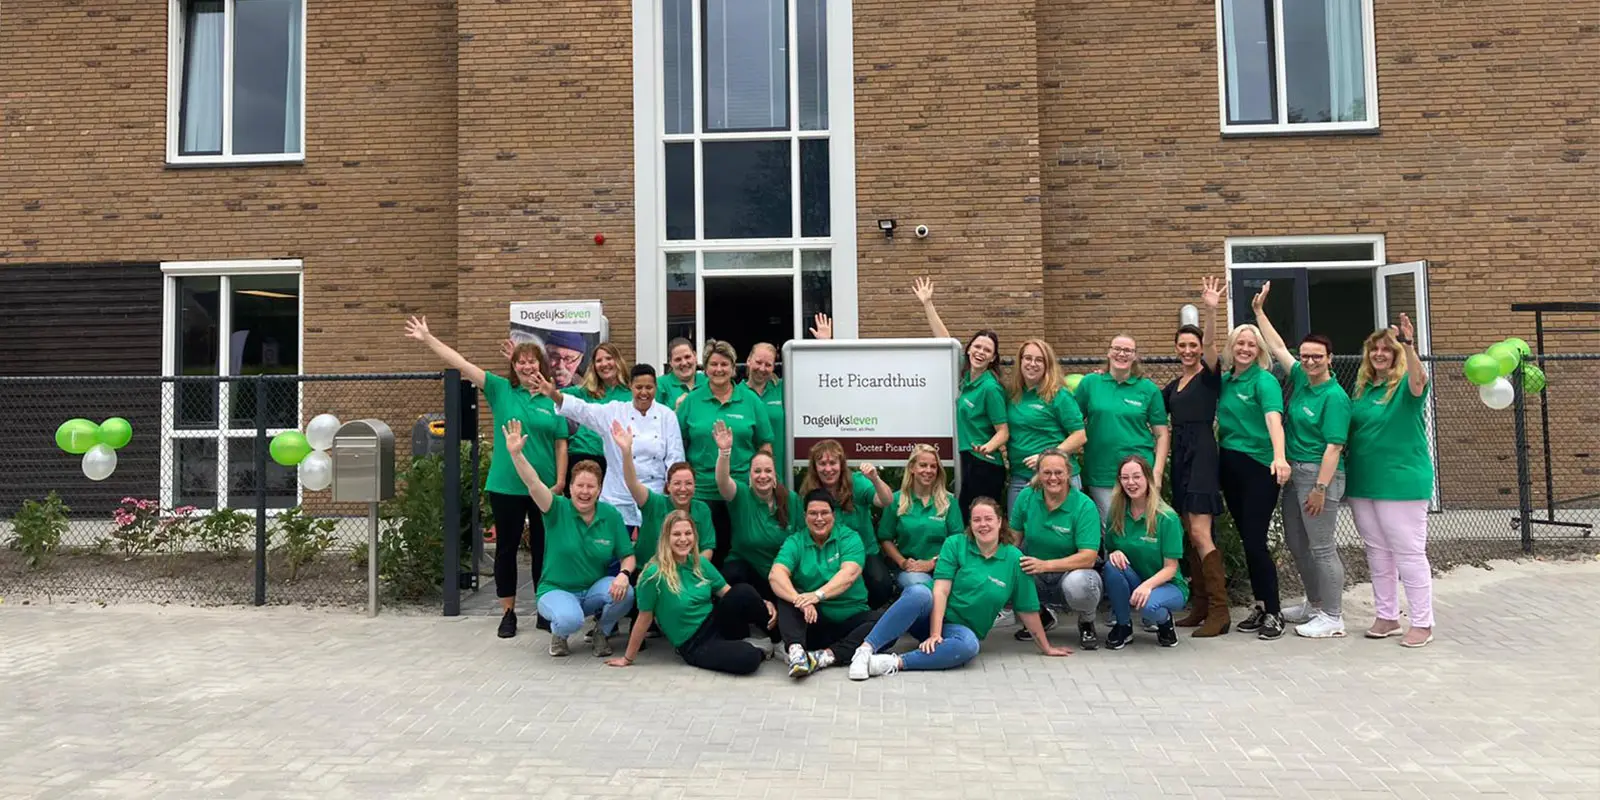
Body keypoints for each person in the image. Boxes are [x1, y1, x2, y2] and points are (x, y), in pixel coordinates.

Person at [405, 316, 568, 640]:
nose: (526, 366)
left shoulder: (553, 398)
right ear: (514, 366)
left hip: (546, 487)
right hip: (506, 486)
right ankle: (508, 613)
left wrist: (561, 481)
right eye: (520, 362)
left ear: (542, 364)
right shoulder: (500, 389)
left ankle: (544, 609)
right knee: (506, 550)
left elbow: (561, 443)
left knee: (545, 550)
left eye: (531, 361)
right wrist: (428, 338)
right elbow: (461, 363)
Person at [848, 497, 1072, 680]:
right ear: (970, 524)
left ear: (1000, 522)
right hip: (928, 617)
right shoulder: (955, 544)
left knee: (969, 647)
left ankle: (890, 663)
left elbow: (1027, 608)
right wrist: (935, 634)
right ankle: (865, 650)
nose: (983, 525)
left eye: (988, 519)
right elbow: (941, 590)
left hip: (960, 629)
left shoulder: (1015, 559)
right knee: (918, 592)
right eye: (977, 520)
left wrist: (1046, 648)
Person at [1254, 282, 1352, 639]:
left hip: (1319, 476)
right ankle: (1315, 603)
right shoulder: (1300, 378)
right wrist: (1259, 311)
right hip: (1294, 473)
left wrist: (1320, 489)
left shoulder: (1334, 397)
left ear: (1330, 359)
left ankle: (1334, 616)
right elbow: (1278, 347)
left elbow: (1334, 448)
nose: (1309, 361)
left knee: (1322, 548)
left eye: (1317, 356)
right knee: (1297, 544)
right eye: (1306, 355)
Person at [502, 420, 635, 658]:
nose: (585, 491)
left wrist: (624, 575)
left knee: (627, 593)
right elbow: (533, 483)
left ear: (599, 489)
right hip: (556, 590)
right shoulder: (556, 508)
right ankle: (560, 633)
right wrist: (516, 454)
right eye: (579, 486)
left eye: (591, 487)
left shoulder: (610, 515)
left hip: (592, 591)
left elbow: (628, 556)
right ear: (570, 488)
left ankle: (602, 632)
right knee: (570, 620)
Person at [1346, 313, 1435, 648]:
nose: (1380, 354)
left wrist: (1410, 345)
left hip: (1401, 483)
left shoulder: (1405, 389)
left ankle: (1422, 622)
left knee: (1409, 553)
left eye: (1387, 349)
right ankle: (1387, 616)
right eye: (1375, 349)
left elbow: (1419, 379)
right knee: (1377, 553)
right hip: (1363, 482)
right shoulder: (1364, 390)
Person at [606, 512, 779, 675]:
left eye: (688, 533)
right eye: (676, 534)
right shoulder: (653, 575)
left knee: (743, 591)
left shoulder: (699, 563)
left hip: (715, 622)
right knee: (748, 658)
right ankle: (755, 647)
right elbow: (644, 618)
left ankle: (781, 642)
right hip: (694, 643)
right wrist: (628, 658)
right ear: (666, 538)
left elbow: (730, 594)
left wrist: (762, 602)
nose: (683, 539)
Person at [1216, 297, 1292, 640]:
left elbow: (1274, 420)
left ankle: (1274, 611)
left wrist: (1280, 457)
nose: (1245, 349)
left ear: (1259, 350)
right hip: (1230, 464)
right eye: (1240, 344)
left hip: (1260, 466)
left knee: (1256, 540)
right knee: (1248, 539)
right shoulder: (1226, 381)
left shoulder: (1264, 381)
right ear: (1232, 348)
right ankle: (1260, 605)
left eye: (1251, 344)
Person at [534, 363, 683, 529]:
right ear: (630, 387)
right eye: (639, 387)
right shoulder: (615, 412)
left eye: (649, 387)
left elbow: (675, 457)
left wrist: (673, 489)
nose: (644, 392)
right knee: (613, 544)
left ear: (655, 387)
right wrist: (554, 394)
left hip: (653, 496)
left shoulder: (666, 416)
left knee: (652, 544)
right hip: (618, 496)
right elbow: (583, 410)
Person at [1163, 277, 1231, 637]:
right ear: (1176, 348)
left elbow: (1212, 345)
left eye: (1194, 345)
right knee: (1190, 530)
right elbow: (1148, 408)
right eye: (1183, 345)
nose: (1189, 350)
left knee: (1202, 531)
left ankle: (1220, 612)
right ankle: (1201, 605)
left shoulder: (1208, 378)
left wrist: (1210, 310)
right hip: (1180, 457)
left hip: (1202, 454)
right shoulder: (1173, 386)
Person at [912, 277, 1009, 521]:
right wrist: (927, 304)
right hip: (968, 459)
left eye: (987, 350)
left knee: (978, 519)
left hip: (985, 464)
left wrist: (988, 447)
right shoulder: (966, 377)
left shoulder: (990, 388)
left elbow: (1003, 432)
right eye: (977, 347)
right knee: (967, 516)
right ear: (969, 349)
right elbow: (945, 341)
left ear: (993, 358)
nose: (980, 352)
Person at [677, 340, 773, 566]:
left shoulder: (750, 400)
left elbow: (765, 445)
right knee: (703, 552)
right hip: (702, 491)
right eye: (713, 364)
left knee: (738, 555)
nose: (719, 369)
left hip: (741, 490)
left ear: (733, 367)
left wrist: (762, 481)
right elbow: (677, 442)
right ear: (705, 368)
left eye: (724, 364)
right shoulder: (692, 401)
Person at [769, 489, 882, 679]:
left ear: (833, 515)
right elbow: (776, 575)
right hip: (814, 620)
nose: (819, 518)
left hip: (850, 620)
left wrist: (817, 595)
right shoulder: (795, 541)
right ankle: (797, 653)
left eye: (824, 513)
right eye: (813, 513)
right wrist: (800, 600)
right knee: (787, 595)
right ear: (805, 516)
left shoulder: (849, 537)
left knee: (885, 623)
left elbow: (849, 574)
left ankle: (825, 657)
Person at [1009, 450, 1105, 650]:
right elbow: (1013, 541)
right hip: (1036, 573)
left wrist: (1045, 565)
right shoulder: (1026, 497)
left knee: (1080, 584)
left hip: (1071, 574)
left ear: (1068, 473)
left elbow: (1088, 557)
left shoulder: (1084, 505)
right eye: (1047, 472)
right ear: (1038, 474)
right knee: (1006, 571)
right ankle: (1042, 617)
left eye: (1059, 472)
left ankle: (1086, 621)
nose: (1053, 478)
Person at [1074, 334, 1169, 523]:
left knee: (1142, 526)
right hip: (1102, 472)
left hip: (1139, 473)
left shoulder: (1148, 389)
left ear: (1135, 356)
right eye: (1117, 349)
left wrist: (1157, 474)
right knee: (1111, 528)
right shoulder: (1090, 383)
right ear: (1109, 353)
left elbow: (1162, 435)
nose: (1122, 354)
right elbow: (1073, 423)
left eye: (1127, 350)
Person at [1102, 455, 1189, 650]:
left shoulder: (1167, 518)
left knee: (1149, 607)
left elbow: (1170, 568)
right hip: (1135, 579)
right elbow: (1111, 546)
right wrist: (1115, 552)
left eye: (1136, 477)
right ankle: (1123, 626)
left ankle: (1165, 622)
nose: (1130, 483)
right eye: (1125, 478)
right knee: (1111, 566)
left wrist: (1147, 587)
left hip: (1167, 584)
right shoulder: (1116, 512)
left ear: (1148, 479)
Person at [797, 439, 894, 608]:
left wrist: (875, 479)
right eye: (822, 464)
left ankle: (866, 614)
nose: (828, 469)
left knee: (881, 586)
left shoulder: (857, 482)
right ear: (814, 467)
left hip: (865, 552)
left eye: (833, 463)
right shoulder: (809, 492)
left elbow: (885, 500)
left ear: (841, 465)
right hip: (827, 553)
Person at [715, 425, 800, 607]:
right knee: (733, 574)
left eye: (768, 471)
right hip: (746, 573)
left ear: (775, 475)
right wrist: (724, 452)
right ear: (750, 475)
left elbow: (802, 539)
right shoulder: (741, 495)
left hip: (780, 573)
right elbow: (722, 482)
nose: (763, 476)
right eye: (757, 471)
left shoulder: (791, 499)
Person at [611, 421, 714, 567]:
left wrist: (691, 570)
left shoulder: (702, 509)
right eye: (677, 483)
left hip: (686, 571)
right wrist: (626, 451)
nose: (683, 489)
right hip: (648, 571)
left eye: (688, 483)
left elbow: (707, 549)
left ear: (694, 486)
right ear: (668, 486)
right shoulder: (653, 503)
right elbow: (632, 483)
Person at [1004, 338, 1087, 510]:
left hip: (1057, 478)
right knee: (1017, 526)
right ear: (1020, 361)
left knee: (1060, 526)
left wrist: (1045, 458)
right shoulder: (1013, 395)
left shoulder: (1058, 395)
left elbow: (1079, 436)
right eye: (1028, 358)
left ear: (1047, 365)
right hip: (1020, 477)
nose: (1032, 364)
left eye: (1039, 360)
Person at [876, 445, 963, 593]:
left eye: (933, 466)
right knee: (921, 589)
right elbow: (885, 538)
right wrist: (903, 562)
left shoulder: (949, 502)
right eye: (923, 465)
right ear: (912, 468)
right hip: (911, 571)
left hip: (945, 567)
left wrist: (932, 563)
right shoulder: (896, 500)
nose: (928, 470)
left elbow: (958, 541)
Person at [557, 343, 631, 486]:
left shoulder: (631, 393)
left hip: (616, 459)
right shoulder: (585, 391)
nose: (604, 364)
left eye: (608, 358)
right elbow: (555, 396)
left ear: (618, 360)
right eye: (599, 360)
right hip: (584, 454)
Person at [742, 342, 789, 488]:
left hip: (781, 474)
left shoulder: (784, 388)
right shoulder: (736, 393)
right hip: (746, 477)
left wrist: (823, 344)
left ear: (774, 367)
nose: (762, 368)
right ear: (748, 361)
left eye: (768, 365)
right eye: (758, 362)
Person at [658, 337, 702, 410]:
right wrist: (677, 411)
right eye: (678, 359)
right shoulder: (660, 385)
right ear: (670, 362)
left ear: (695, 356)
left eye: (687, 357)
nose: (684, 363)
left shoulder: (707, 380)